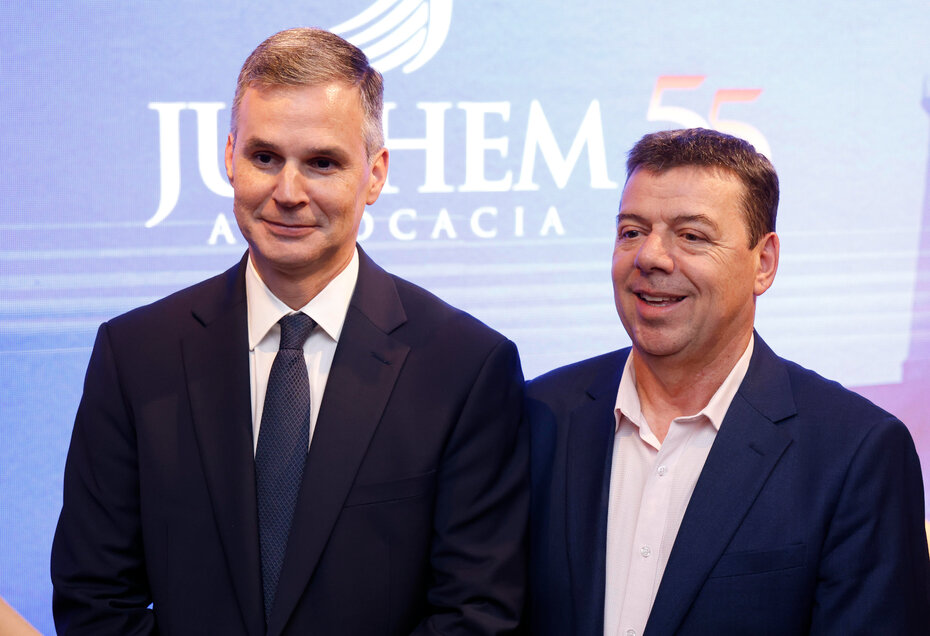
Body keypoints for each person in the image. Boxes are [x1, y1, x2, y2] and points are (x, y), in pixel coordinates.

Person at [51, 28, 526, 635]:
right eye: (265, 158)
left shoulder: (465, 366)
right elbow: (94, 598)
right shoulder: (135, 355)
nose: (288, 193)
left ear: (375, 175)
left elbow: (475, 614)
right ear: (229, 158)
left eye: (322, 163)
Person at [527, 128, 930, 635]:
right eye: (631, 231)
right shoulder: (537, 417)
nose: (650, 257)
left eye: (692, 235)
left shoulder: (856, 453)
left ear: (763, 263)